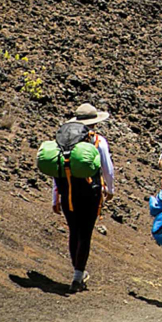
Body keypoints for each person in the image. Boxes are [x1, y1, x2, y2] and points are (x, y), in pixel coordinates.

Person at [52, 103, 115, 292]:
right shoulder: (98, 140)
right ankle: (78, 276)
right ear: (95, 121)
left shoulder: (63, 140)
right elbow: (107, 168)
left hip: (67, 193)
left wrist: (55, 198)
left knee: (74, 231)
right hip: (90, 192)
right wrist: (110, 189)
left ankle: (77, 272)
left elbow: (58, 170)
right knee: (85, 233)